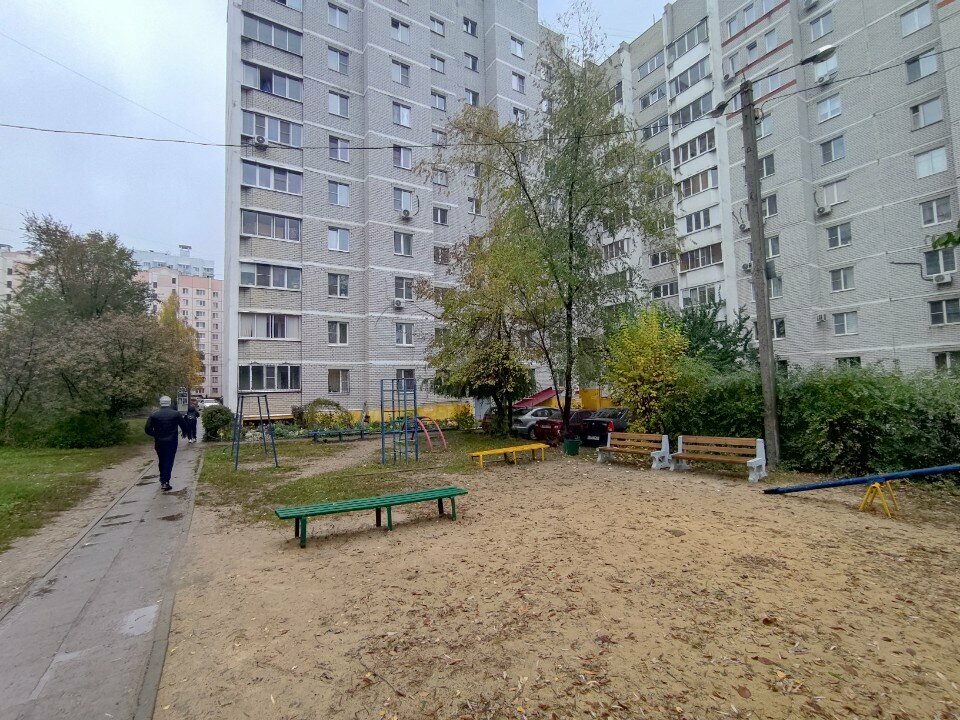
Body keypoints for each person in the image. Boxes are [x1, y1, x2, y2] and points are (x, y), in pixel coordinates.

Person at [145, 395, 188, 491]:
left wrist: (155, 434)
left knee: (161, 460)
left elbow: (147, 429)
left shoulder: (154, 415)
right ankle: (166, 482)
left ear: (160, 403)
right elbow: (184, 425)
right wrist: (184, 433)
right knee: (169, 461)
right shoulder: (176, 414)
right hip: (172, 441)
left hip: (159, 441)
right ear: (169, 403)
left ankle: (162, 478)